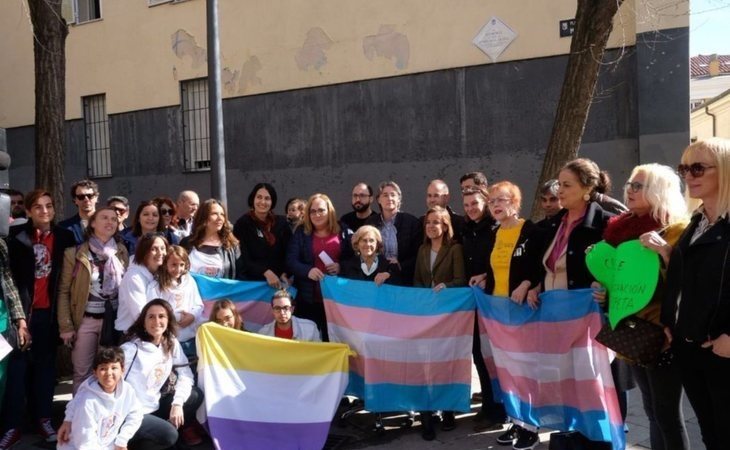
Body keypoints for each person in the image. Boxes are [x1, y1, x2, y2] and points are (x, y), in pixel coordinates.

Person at [593, 164, 689, 450]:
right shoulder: (620, 231)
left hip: (663, 334)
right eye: (630, 184)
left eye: (639, 186)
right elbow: (623, 281)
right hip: (632, 331)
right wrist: (605, 293)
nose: (629, 190)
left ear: (659, 192)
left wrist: (665, 252)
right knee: (651, 411)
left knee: (667, 414)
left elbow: (689, 282)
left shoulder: (677, 229)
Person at [529, 158, 617, 450]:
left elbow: (618, 272)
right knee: (568, 382)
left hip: (587, 322)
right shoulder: (556, 223)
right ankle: (577, 431)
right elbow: (550, 265)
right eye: (559, 183)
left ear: (587, 188)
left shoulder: (604, 224)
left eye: (567, 185)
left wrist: (607, 290)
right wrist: (536, 284)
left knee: (591, 384)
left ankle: (599, 438)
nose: (560, 190)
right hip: (558, 321)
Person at [662, 138, 730, 450]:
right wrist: (668, 323)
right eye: (684, 168)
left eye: (698, 167)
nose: (688, 175)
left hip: (722, 349)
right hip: (689, 347)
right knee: (710, 432)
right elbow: (683, 279)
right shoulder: (697, 221)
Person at [1, 190, 75, 444]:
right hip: (21, 316)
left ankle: (43, 419)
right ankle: (12, 425)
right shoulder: (15, 239)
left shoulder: (65, 237)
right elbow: (10, 281)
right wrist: (19, 320)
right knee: (17, 371)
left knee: (45, 370)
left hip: (49, 315)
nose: (45, 211)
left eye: (49, 205)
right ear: (30, 211)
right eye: (39, 207)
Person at [479, 182, 542, 450]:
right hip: (498, 312)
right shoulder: (495, 233)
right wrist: (484, 277)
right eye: (492, 200)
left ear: (514, 202)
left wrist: (528, 283)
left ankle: (532, 426)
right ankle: (516, 421)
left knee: (525, 369)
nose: (495, 204)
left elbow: (543, 267)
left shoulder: (530, 231)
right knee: (507, 370)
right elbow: (496, 269)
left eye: (501, 199)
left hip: (523, 313)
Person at [57, 206, 129, 393]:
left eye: (114, 219)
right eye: (104, 218)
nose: (110, 222)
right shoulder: (75, 253)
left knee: (110, 372)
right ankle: (78, 417)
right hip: (86, 321)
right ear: (93, 223)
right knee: (82, 372)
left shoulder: (121, 251)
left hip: (112, 321)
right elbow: (64, 291)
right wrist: (66, 326)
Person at [413, 205, 466, 441]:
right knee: (425, 365)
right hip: (426, 315)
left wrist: (447, 287)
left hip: (449, 314)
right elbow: (416, 282)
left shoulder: (454, 249)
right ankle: (426, 415)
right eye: (428, 222)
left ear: (445, 226)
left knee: (445, 362)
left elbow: (460, 280)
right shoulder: (422, 250)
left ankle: (448, 410)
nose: (431, 226)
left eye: (436, 222)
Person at [121, 300, 204, 448]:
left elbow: (185, 374)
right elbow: (99, 382)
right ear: (143, 322)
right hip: (132, 413)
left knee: (195, 395)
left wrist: (177, 403)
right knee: (170, 435)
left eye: (161, 316)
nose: (157, 321)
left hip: (155, 405)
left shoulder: (171, 342)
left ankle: (159, 434)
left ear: (168, 320)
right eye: (151, 317)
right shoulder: (130, 350)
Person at [460, 186, 505, 432]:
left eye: (474, 204)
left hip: (493, 300)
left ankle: (502, 408)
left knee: (496, 357)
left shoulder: (495, 228)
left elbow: (501, 262)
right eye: (466, 205)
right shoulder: (466, 229)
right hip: (473, 302)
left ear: (485, 202)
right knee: (479, 355)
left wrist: (487, 276)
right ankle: (488, 405)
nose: (470, 209)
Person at [287, 193, 352, 340]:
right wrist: (307, 271)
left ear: (329, 211)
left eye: (321, 210)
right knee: (310, 341)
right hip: (309, 298)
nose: (317, 214)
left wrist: (341, 267)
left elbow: (354, 259)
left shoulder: (343, 230)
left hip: (336, 299)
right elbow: (290, 260)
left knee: (335, 340)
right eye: (313, 211)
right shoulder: (301, 232)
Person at [56, 347, 143, 450]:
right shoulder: (87, 401)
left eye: (114, 368)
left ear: (122, 370)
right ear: (95, 372)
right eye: (103, 369)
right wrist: (68, 419)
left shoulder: (127, 390)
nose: (109, 373)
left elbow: (136, 413)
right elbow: (85, 443)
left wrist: (122, 440)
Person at [147, 245, 204, 360]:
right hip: (167, 340)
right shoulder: (156, 286)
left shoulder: (189, 281)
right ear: (165, 264)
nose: (178, 269)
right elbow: (152, 312)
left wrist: (192, 316)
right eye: (174, 265)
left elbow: (198, 304)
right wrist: (174, 318)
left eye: (181, 265)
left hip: (189, 339)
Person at [233, 183, 291, 287]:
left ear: (272, 202)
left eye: (267, 198)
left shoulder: (282, 223)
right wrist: (265, 272)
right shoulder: (242, 224)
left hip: (280, 282)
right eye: (259, 197)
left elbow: (290, 253)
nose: (263, 202)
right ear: (253, 199)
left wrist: (285, 272)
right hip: (253, 284)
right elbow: (243, 257)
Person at [366, 181, 422, 286]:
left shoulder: (412, 222)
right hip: (376, 279)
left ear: (399, 199)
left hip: (404, 279)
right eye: (385, 195)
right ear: (378, 199)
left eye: (393, 195)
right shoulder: (370, 223)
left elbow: (418, 254)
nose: (389, 198)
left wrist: (400, 265)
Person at [0, 240, 26, 449]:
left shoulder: (0, 244)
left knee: (1, 380)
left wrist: (20, 320)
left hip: (1, 322)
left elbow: (8, 283)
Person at [115, 234, 168, 334]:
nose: (160, 253)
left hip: (155, 331)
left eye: (163, 248)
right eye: (154, 249)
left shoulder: (160, 274)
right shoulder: (134, 277)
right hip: (133, 335)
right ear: (144, 252)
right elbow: (140, 314)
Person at [181, 199, 240, 279]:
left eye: (222, 214)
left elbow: (241, 274)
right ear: (204, 217)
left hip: (223, 291)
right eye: (214, 214)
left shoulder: (232, 245)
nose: (220, 218)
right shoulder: (187, 243)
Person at [60, 179, 100, 244]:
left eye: (90, 196)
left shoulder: (108, 223)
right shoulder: (64, 227)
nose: (86, 200)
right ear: (75, 200)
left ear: (96, 197)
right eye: (81, 197)